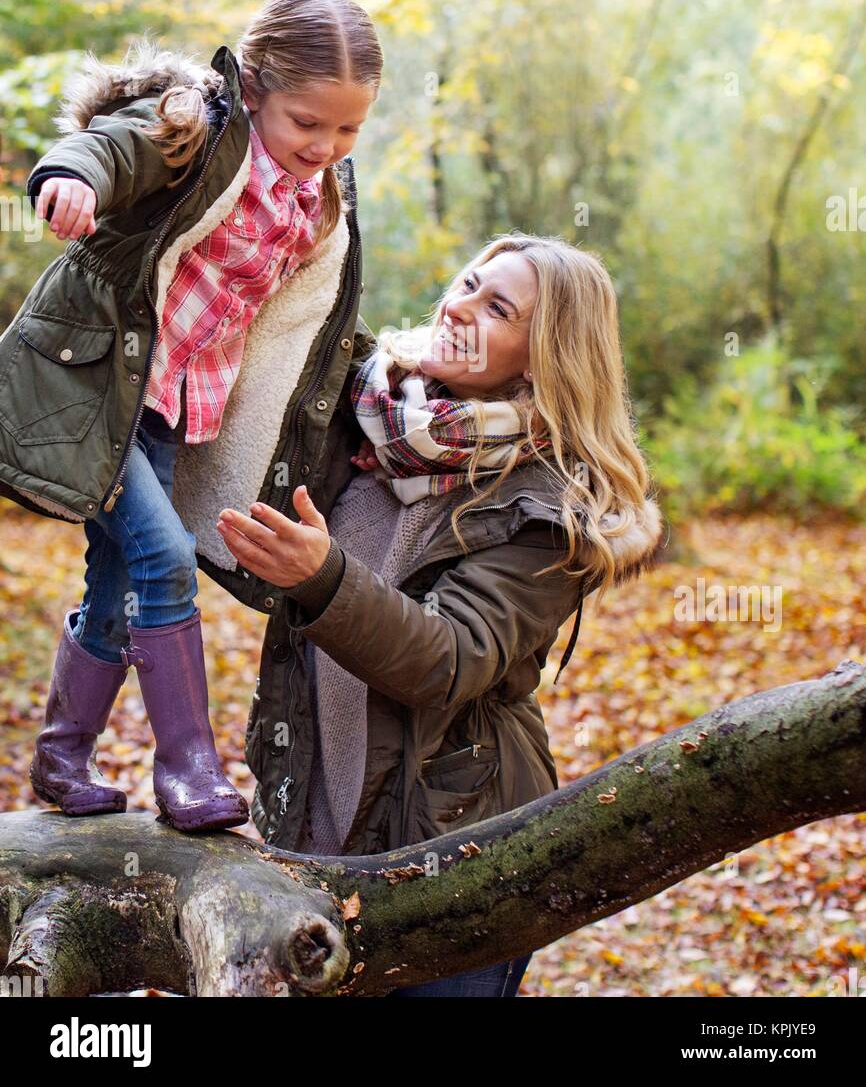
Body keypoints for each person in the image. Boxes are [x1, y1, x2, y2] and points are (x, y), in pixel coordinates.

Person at [220, 233, 664, 996]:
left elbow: (450, 659)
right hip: (312, 827)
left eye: (499, 308)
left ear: (544, 353)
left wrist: (324, 578)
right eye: (468, 283)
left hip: (461, 853)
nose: (460, 307)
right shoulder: (363, 415)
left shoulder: (550, 506)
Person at [0, 0, 382, 832]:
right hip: (91, 388)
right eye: (306, 123)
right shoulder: (195, 134)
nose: (325, 145)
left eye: (348, 128)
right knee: (164, 556)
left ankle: (62, 760)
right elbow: (111, 148)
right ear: (253, 90)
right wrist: (71, 179)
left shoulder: (317, 208)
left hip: (174, 407)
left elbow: (313, 330)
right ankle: (188, 770)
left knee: (115, 587)